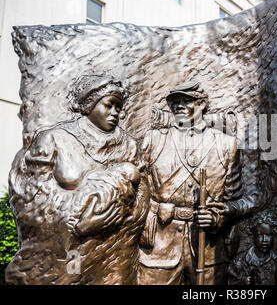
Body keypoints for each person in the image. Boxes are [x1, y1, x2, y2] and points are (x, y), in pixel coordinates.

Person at [6, 74, 148, 285]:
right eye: (109, 105)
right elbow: (28, 197)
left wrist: (118, 217)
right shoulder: (53, 139)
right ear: (90, 104)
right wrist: (76, 221)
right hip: (68, 249)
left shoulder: (129, 146)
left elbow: (143, 194)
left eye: (119, 107)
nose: (115, 113)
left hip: (115, 251)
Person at [138, 81, 260, 285]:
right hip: (160, 247)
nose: (179, 105)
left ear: (202, 104)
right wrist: (154, 209)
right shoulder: (153, 141)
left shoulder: (226, 144)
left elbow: (234, 199)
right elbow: (137, 191)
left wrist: (218, 217)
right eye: (175, 101)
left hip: (209, 247)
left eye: (187, 100)